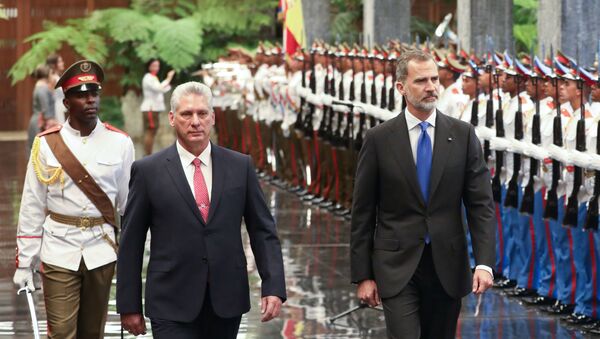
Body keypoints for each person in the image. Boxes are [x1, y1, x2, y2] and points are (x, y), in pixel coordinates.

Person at [117, 81, 287, 338]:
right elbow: (131, 242)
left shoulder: (240, 166)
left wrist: (273, 285)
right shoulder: (148, 171)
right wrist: (129, 305)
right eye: (187, 114)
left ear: (213, 117)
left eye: (202, 113)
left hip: (226, 300)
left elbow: (263, 230)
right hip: (170, 300)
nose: (195, 121)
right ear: (172, 118)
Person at [350, 49, 495, 339]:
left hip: (447, 265)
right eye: (420, 81)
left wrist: (484, 262)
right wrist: (363, 275)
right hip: (396, 265)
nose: (431, 87)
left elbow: (480, 204)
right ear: (401, 87)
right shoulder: (379, 139)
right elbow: (363, 211)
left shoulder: (463, 135)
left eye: (433, 79)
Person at [13, 60, 135, 338]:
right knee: (62, 333)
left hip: (101, 250)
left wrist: (130, 259)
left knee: (93, 333)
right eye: (81, 94)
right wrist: (25, 263)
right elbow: (32, 204)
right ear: (66, 101)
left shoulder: (121, 143)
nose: (90, 100)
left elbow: (128, 207)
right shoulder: (46, 143)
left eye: (94, 92)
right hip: (59, 248)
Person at [141, 58, 175, 155]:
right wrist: (168, 78)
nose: (156, 68)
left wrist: (166, 84)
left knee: (152, 132)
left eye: (158, 66)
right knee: (150, 132)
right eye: (154, 65)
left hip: (153, 109)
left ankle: (148, 154)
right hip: (150, 109)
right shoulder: (148, 77)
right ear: (149, 66)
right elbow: (159, 88)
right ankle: (147, 154)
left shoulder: (153, 77)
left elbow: (161, 89)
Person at [27, 64, 57, 153]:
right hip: (41, 122)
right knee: (40, 149)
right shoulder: (42, 88)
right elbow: (45, 109)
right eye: (51, 73)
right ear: (46, 74)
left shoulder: (41, 87)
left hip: (38, 119)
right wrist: (52, 122)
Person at [46, 53, 67, 123]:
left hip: (61, 107)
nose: (62, 63)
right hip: (56, 108)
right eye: (60, 61)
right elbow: (50, 95)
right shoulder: (53, 78)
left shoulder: (57, 76)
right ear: (54, 64)